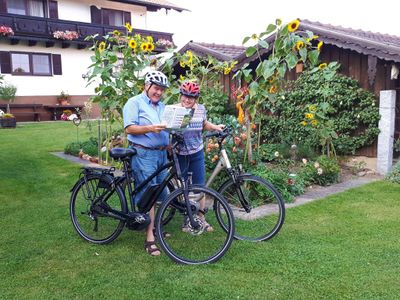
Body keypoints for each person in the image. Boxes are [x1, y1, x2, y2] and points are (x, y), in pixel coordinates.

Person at [123, 70, 169, 256]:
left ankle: (154, 227)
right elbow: (129, 128)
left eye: (162, 90)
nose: (159, 92)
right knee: (149, 194)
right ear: (147, 86)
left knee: (158, 192)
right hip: (144, 153)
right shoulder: (134, 103)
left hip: (161, 154)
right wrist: (150, 128)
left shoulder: (162, 106)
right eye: (156, 88)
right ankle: (149, 237)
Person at [176, 81, 225, 232]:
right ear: (181, 95)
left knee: (200, 185)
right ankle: (188, 219)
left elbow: (203, 124)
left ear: (196, 98)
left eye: (191, 97)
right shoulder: (174, 110)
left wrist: (216, 127)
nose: (187, 100)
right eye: (185, 96)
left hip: (196, 151)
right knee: (183, 187)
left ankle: (201, 217)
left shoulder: (201, 109)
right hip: (180, 154)